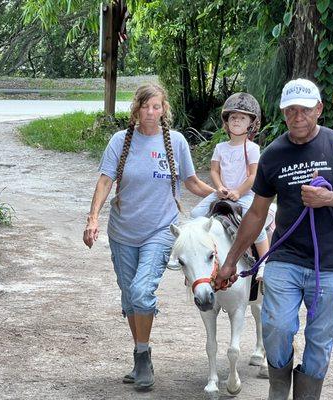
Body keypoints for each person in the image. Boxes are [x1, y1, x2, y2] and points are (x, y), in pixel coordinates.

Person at [214, 78, 333, 400]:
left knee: (319, 341)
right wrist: (230, 261)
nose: (298, 116)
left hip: (329, 264)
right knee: (276, 327)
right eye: (291, 111)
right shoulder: (274, 154)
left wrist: (330, 199)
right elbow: (256, 214)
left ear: (318, 109)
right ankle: (278, 387)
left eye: (304, 109)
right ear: (283, 113)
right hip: (285, 258)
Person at [83, 83, 214, 391]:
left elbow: (192, 182)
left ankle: (143, 357)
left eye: (157, 107)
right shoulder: (120, 141)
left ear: (164, 109)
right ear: (137, 110)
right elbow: (104, 182)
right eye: (146, 107)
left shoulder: (176, 142)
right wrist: (92, 219)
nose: (152, 113)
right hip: (123, 231)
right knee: (130, 297)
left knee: (142, 292)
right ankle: (141, 353)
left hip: (160, 230)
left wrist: (221, 194)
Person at [190, 92, 269, 278]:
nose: (236, 121)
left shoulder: (252, 148)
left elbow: (253, 176)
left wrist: (238, 192)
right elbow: (214, 171)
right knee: (195, 215)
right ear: (226, 121)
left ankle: (264, 261)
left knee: (255, 224)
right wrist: (219, 187)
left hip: (245, 194)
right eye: (233, 117)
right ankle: (197, 256)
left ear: (251, 123)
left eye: (242, 118)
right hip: (222, 192)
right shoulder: (220, 148)